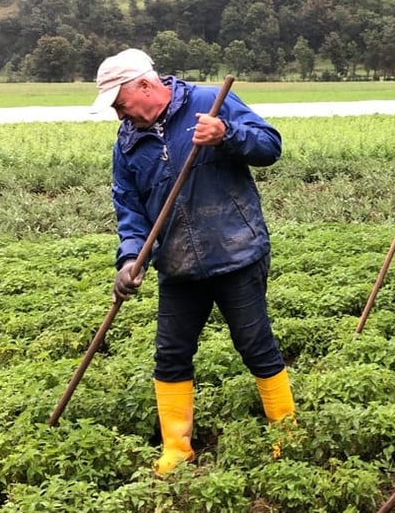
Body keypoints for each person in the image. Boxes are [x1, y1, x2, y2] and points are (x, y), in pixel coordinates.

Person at [90, 48, 295, 475]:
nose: (119, 116)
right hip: (178, 264)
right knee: (170, 355)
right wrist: (130, 259)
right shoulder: (127, 144)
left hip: (235, 251)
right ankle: (176, 450)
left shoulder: (207, 104)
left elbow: (270, 146)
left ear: (145, 86)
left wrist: (228, 134)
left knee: (256, 347)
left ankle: (286, 435)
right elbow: (129, 210)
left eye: (121, 105)